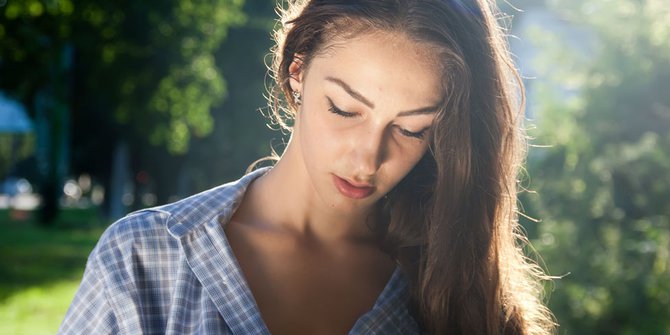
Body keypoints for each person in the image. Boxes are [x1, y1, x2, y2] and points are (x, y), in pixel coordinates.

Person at [59, 0, 556, 334]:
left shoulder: (455, 287)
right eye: (343, 109)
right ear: (297, 72)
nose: (367, 158)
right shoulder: (143, 259)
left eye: (411, 129)